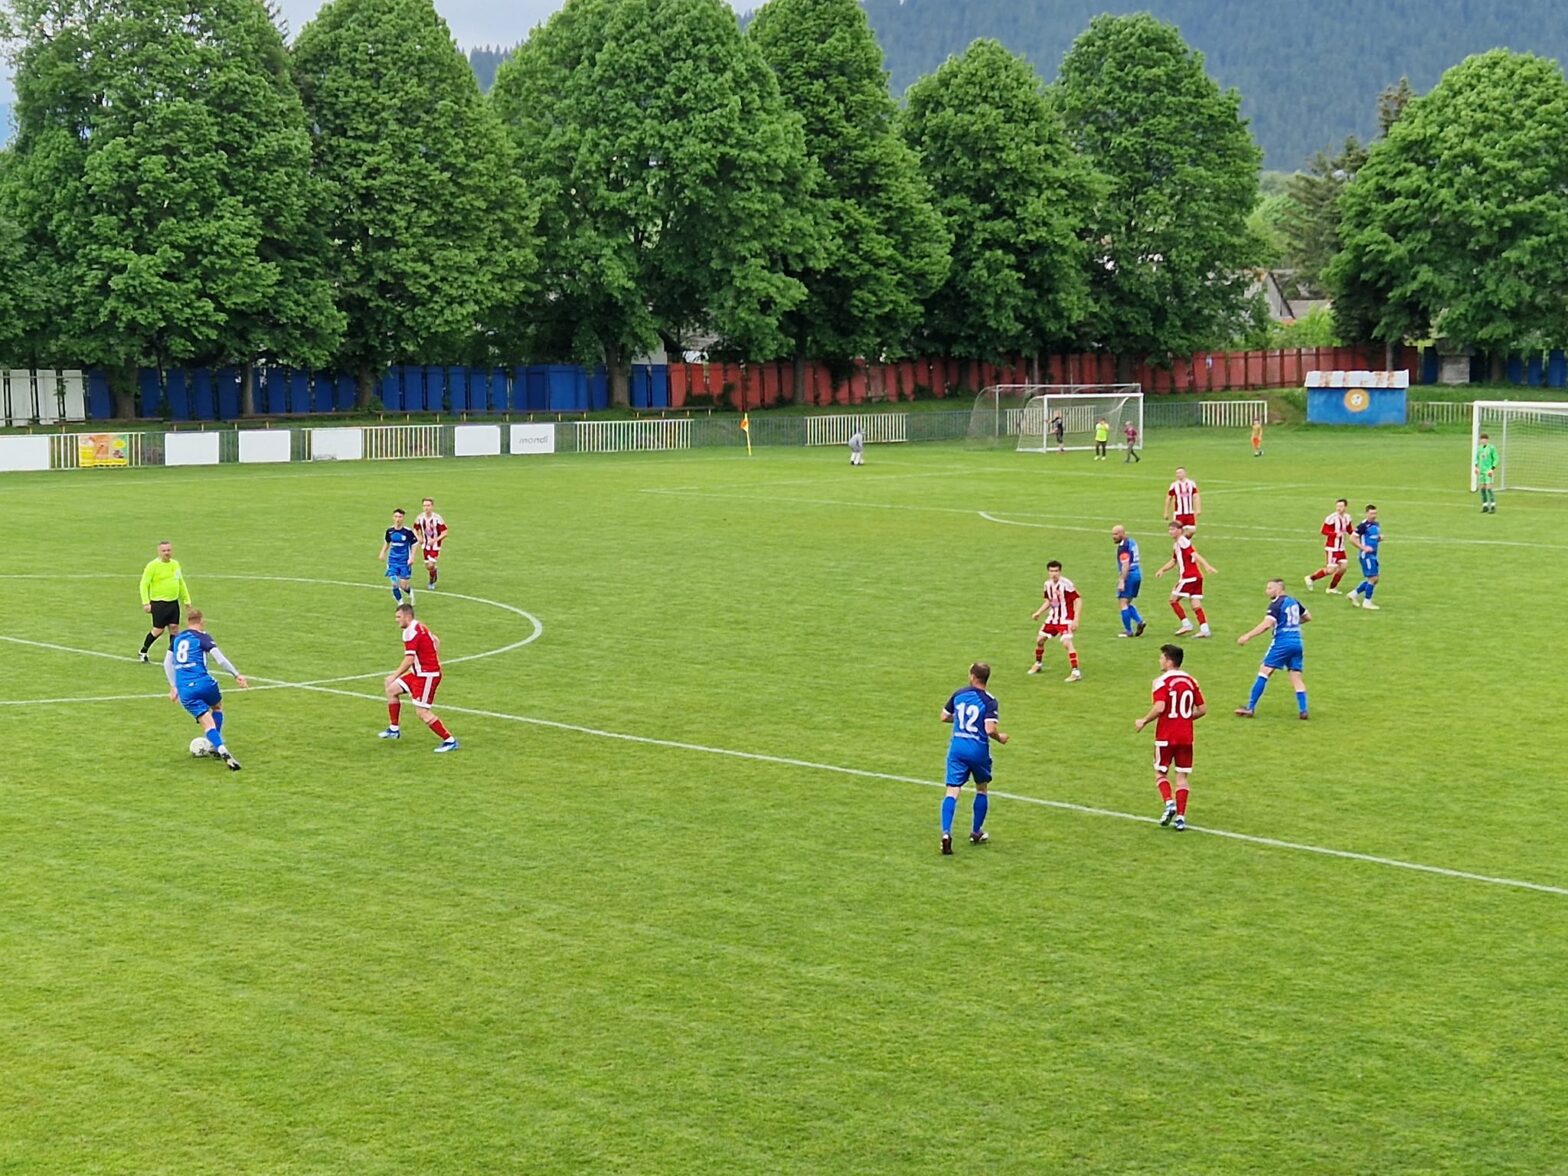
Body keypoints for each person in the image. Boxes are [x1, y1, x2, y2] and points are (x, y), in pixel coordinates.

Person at [1134, 644, 1206, 831]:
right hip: (1186, 735)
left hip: (1166, 735)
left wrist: (1144, 721)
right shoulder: (1192, 681)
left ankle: (1169, 802)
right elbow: (1202, 710)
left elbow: (1160, 707)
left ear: (1168, 660)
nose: (1160, 661)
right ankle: (1181, 818)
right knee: (1181, 776)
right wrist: (1184, 718)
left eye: (1161, 658)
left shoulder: (1161, 681)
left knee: (1160, 772)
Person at [939, 661, 1008, 854]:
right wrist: (999, 738)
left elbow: (944, 717)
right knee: (981, 789)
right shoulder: (989, 700)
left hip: (957, 748)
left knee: (952, 791)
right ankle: (976, 832)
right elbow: (989, 729)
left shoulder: (959, 694)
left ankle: (946, 833)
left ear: (972, 676)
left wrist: (959, 721)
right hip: (977, 750)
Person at [164, 608, 245, 771]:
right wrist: (236, 674)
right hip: (204, 682)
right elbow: (220, 660)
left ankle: (220, 748)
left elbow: (167, 662)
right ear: (201, 621)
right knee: (217, 706)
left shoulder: (177, 638)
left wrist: (173, 686)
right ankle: (216, 747)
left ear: (188, 622)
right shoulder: (203, 637)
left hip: (185, 689)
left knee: (207, 724)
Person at [379, 603, 459, 752]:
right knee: (392, 690)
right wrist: (433, 658)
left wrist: (394, 675)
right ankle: (394, 729)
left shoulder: (410, 632)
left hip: (427, 676)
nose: (396, 620)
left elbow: (409, 659)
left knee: (422, 712)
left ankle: (450, 740)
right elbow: (436, 640)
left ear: (407, 616)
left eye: (398, 617)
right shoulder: (420, 626)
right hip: (418, 673)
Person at [1235, 579, 1311, 720]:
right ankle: (1303, 710)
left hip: (1282, 643)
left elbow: (1266, 625)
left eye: (1270, 588)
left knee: (1264, 671)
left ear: (1278, 589)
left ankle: (1250, 708)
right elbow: (1308, 617)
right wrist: (1292, 623)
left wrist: (1247, 636)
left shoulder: (1276, 604)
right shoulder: (1294, 601)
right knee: (1296, 677)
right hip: (1297, 642)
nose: (1267, 591)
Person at [1154, 522, 1215, 638]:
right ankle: (1205, 629)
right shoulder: (1177, 544)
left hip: (1189, 577)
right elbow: (1173, 561)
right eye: (1169, 530)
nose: (1170, 532)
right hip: (1197, 577)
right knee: (1195, 604)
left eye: (1172, 529)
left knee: (1173, 600)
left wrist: (1207, 565)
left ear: (1179, 530)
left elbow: (1194, 554)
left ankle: (1186, 624)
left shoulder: (1182, 541)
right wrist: (1162, 570)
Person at [138, 541, 192, 663]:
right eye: (164, 551)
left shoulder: (175, 564)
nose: (167, 553)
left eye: (168, 550)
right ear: (159, 552)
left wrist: (186, 600)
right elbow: (144, 584)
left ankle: (172, 656)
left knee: (174, 628)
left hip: (173, 603)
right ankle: (143, 651)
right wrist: (145, 602)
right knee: (158, 630)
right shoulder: (153, 566)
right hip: (159, 603)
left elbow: (180, 582)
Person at [1029, 560, 1083, 681]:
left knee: (1066, 643)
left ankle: (1076, 672)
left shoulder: (1066, 584)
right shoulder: (1047, 584)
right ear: (1048, 572)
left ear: (1060, 571)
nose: (1054, 573)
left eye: (1056, 571)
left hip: (1065, 619)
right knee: (1040, 640)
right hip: (1053, 618)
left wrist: (1076, 619)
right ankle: (1038, 664)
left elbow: (1078, 600)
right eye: (1051, 571)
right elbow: (1049, 601)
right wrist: (1038, 612)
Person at [1304, 498, 1353, 595]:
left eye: (1341, 506)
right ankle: (1311, 578)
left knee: (1343, 567)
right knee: (1331, 570)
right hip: (1332, 548)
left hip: (1341, 548)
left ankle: (1332, 588)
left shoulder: (1347, 517)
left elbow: (1349, 529)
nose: (1339, 508)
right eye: (1337, 506)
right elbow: (1323, 531)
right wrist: (1335, 534)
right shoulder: (1331, 518)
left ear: (1346, 507)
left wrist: (1358, 535)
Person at [1111, 525, 1146, 638]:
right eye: (1113, 534)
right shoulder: (1131, 541)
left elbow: (1125, 565)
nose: (1113, 537)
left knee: (1122, 602)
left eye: (1116, 534)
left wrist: (1122, 580)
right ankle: (1139, 621)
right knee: (1127, 602)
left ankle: (1128, 630)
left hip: (1129, 575)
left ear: (1122, 533)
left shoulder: (1123, 547)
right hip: (1137, 574)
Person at [379, 509, 419, 604]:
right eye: (396, 517)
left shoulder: (407, 532)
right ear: (393, 517)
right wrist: (382, 552)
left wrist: (412, 557)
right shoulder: (390, 531)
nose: (398, 519)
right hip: (392, 561)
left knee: (403, 585)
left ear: (403, 518)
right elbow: (387, 542)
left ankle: (410, 593)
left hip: (404, 561)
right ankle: (400, 603)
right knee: (394, 583)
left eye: (400, 517)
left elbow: (415, 543)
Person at [1349, 504, 1383, 610]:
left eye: (1375, 513)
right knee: (1373, 578)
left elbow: (1371, 537)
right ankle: (1367, 602)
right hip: (1366, 556)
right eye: (1371, 513)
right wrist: (1362, 547)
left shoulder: (1376, 524)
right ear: (1366, 513)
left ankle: (1354, 594)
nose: (1374, 515)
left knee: (1374, 579)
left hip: (1373, 555)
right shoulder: (1363, 526)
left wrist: (1378, 538)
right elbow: (1352, 539)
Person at [414, 497, 448, 590]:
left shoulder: (437, 518)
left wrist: (435, 540)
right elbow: (415, 529)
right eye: (424, 505)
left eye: (428, 505)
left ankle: (431, 581)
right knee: (428, 567)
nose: (426, 508)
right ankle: (434, 571)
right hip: (425, 545)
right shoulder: (420, 518)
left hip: (435, 546)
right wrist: (419, 537)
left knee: (431, 565)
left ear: (432, 506)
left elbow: (445, 532)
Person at [1475, 432, 1499, 513]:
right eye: (1482, 439)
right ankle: (1485, 506)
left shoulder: (1491, 448)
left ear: (1487, 440)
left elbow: (1496, 458)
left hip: (1488, 471)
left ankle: (1493, 506)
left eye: (1484, 439)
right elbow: (1476, 458)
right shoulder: (1479, 448)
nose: (1483, 441)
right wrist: (1476, 467)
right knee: (1482, 489)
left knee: (1489, 489)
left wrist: (1492, 469)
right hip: (1481, 471)